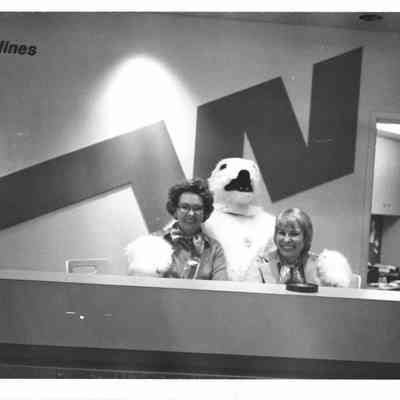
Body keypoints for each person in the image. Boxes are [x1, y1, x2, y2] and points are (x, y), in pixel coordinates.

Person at [154, 178, 228, 280]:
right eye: (185, 207)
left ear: (205, 213)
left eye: (197, 208)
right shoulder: (155, 241)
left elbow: (221, 287)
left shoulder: (215, 249)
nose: (191, 214)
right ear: (175, 210)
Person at [245, 208, 322, 284]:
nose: (286, 240)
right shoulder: (260, 264)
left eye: (294, 234)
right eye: (282, 233)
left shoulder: (320, 266)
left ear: (306, 237)